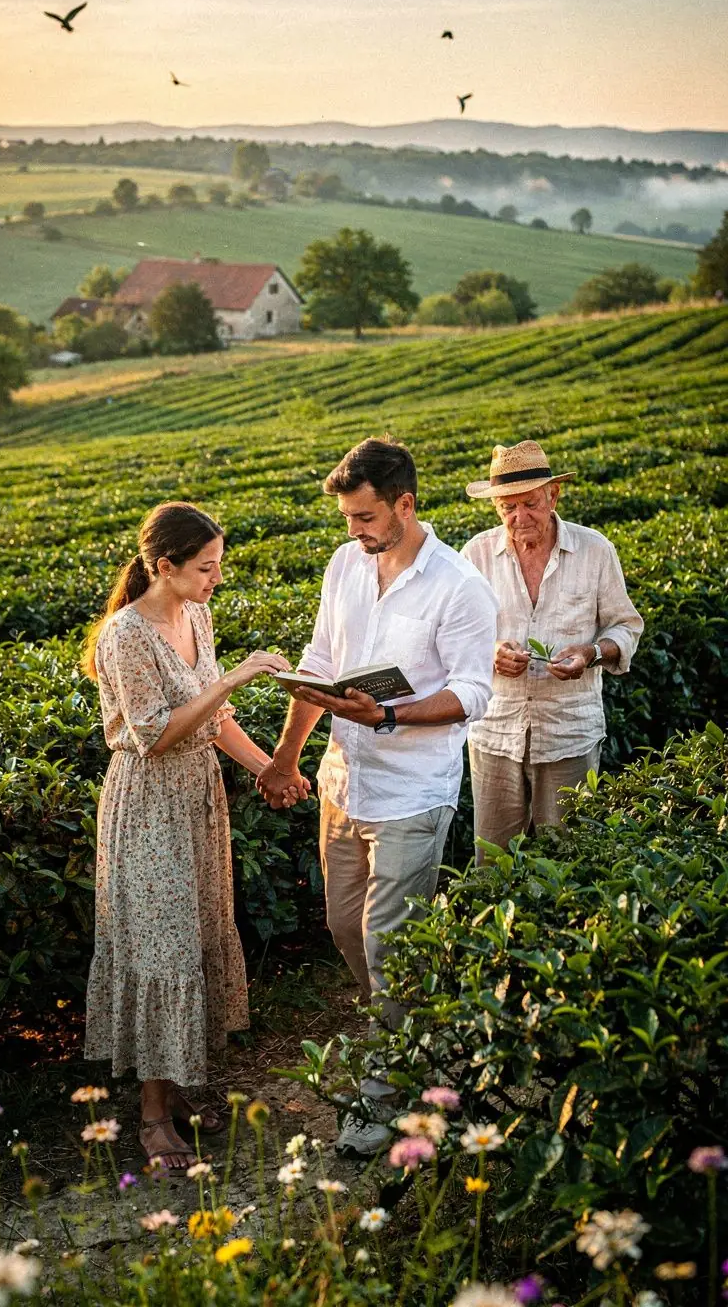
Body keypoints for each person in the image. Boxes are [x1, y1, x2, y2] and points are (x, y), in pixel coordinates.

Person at [257, 438, 498, 1156]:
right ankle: (422, 1036)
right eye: (347, 518)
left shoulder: (459, 585)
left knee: (388, 943)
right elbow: (320, 664)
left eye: (364, 517)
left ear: (405, 505)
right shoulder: (345, 565)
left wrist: (389, 713)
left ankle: (385, 1096)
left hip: (413, 791)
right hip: (344, 779)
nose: (354, 531)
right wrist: (286, 756)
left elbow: (473, 692)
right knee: (344, 927)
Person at [81, 501, 305, 1171]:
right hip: (149, 804)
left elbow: (215, 719)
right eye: (206, 567)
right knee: (161, 946)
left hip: (198, 795)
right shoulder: (125, 634)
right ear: (165, 565)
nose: (216, 578)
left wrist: (270, 770)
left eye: (218, 565)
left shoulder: (196, 615)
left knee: (197, 933)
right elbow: (154, 734)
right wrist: (235, 676)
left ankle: (176, 1090)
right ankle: (151, 1117)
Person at [461, 439, 644, 860]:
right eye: (508, 507)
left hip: (569, 733)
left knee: (567, 857)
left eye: (530, 504)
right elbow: (452, 637)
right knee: (493, 861)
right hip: (495, 732)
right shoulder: (476, 555)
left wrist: (591, 654)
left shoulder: (595, 550)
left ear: (553, 495)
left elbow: (626, 626)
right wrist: (490, 652)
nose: (520, 516)